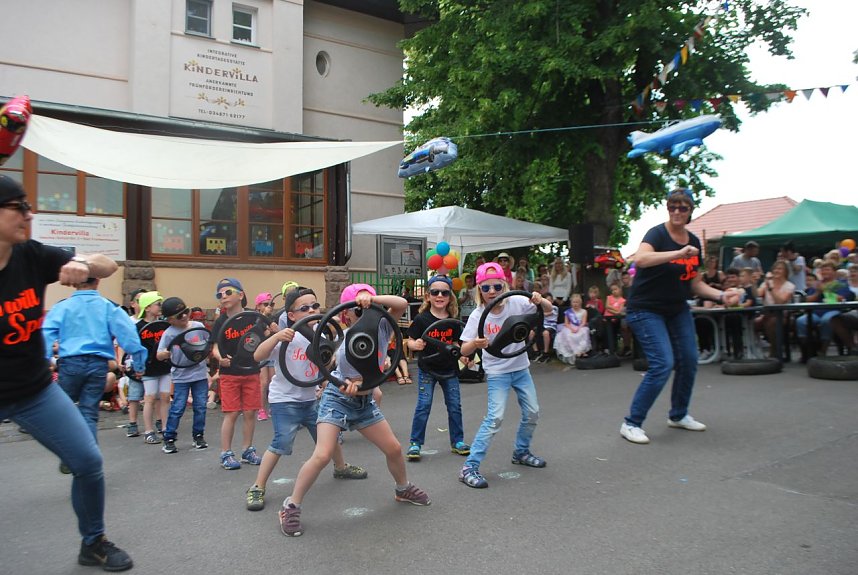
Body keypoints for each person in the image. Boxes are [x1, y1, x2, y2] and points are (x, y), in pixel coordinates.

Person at [0, 176, 134, 571]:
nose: (30, 214)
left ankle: (93, 542)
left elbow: (107, 264)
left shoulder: (31, 254)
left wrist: (79, 263)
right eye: (18, 207)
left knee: (88, 461)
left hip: (34, 390)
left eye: (28, 205)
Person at [278, 284, 430, 537]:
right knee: (323, 454)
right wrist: (351, 386)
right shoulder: (346, 339)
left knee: (393, 448)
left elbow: (401, 305)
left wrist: (372, 298)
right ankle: (291, 506)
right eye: (356, 311)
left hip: (364, 403)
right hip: (337, 399)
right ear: (346, 314)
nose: (363, 316)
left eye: (367, 309)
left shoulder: (383, 327)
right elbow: (343, 377)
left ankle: (402, 489)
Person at [620, 189, 741, 445]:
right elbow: (640, 259)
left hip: (676, 309)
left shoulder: (695, 242)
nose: (676, 211)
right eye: (672, 206)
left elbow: (695, 284)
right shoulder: (657, 234)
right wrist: (676, 254)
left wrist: (722, 296)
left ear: (690, 211)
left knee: (688, 358)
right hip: (645, 308)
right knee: (663, 363)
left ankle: (678, 414)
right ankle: (631, 423)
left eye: (682, 208)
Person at [244, 287, 367, 512]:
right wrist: (276, 338)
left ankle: (340, 467)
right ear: (291, 316)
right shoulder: (286, 337)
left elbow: (326, 366)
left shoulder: (320, 337)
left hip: (310, 398)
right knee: (281, 443)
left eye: (315, 306)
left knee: (331, 437)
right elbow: (257, 355)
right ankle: (257, 486)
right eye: (304, 308)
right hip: (285, 400)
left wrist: (326, 375)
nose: (311, 310)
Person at [458, 262, 553, 488]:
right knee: (495, 418)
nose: (492, 292)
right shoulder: (478, 316)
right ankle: (469, 467)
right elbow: (463, 350)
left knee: (532, 412)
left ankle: (521, 451)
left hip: (520, 368)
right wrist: (475, 343)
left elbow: (547, 310)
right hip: (497, 372)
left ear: (505, 285)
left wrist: (540, 300)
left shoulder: (519, 302)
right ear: (479, 290)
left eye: (497, 287)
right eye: (486, 288)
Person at [42, 277, 148, 446]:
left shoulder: (62, 307)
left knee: (65, 409)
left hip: (70, 363)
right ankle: (88, 458)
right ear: (97, 281)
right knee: (89, 412)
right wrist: (139, 363)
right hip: (98, 364)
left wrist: (46, 361)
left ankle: (69, 451)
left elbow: (45, 335)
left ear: (75, 283)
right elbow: (129, 337)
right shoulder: (108, 307)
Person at [405, 275, 470, 462]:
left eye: (444, 292)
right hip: (428, 370)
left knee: (455, 406)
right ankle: (415, 443)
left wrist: (465, 356)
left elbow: (459, 344)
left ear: (450, 297)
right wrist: (414, 345)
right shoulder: (421, 319)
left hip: (449, 370)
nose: (439, 295)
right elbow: (410, 341)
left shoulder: (453, 320)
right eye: (435, 292)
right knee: (423, 406)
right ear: (428, 296)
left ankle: (457, 441)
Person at [210, 278, 264, 470]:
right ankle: (226, 453)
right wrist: (220, 358)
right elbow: (214, 347)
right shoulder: (221, 322)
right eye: (220, 294)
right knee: (231, 413)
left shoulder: (252, 318)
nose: (223, 297)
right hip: (229, 373)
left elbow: (263, 338)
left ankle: (248, 450)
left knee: (250, 412)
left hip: (251, 370)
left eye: (227, 292)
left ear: (240, 295)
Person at [155, 297, 210, 454]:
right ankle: (169, 437)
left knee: (200, 406)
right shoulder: (169, 333)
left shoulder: (198, 326)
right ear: (170, 320)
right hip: (181, 376)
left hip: (199, 373)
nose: (185, 316)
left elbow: (208, 343)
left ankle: (198, 435)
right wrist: (164, 354)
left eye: (186, 312)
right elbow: (159, 354)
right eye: (180, 315)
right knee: (178, 407)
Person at [795, 260, 854, 359]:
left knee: (827, 320)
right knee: (800, 321)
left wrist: (827, 291)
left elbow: (843, 298)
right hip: (816, 312)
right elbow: (808, 300)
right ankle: (807, 350)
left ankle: (823, 350)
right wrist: (818, 292)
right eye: (822, 270)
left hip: (833, 311)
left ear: (834, 272)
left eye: (827, 270)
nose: (824, 272)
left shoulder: (841, 284)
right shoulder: (817, 284)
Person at [133, 291, 171, 444]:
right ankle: (148, 430)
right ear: (147, 307)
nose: (160, 307)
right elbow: (135, 349)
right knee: (149, 398)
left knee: (165, 397)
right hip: (148, 368)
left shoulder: (164, 325)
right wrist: (137, 366)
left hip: (164, 366)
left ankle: (166, 427)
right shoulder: (138, 327)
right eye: (157, 304)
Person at [254, 291, 275, 422]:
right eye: (266, 304)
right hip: (261, 353)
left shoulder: (272, 319)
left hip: (272, 353)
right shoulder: (256, 319)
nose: (269, 306)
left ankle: (273, 407)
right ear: (258, 306)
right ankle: (261, 409)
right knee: (264, 382)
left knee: (273, 380)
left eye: (271, 304)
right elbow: (260, 335)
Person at [554, 293, 591, 364]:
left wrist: (578, 328)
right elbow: (566, 323)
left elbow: (583, 322)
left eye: (577, 302)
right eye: (574, 302)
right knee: (567, 335)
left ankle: (581, 351)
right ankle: (574, 353)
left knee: (584, 332)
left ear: (580, 303)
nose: (575, 304)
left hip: (580, 326)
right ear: (571, 303)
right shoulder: (568, 312)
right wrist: (571, 329)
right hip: (570, 327)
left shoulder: (584, 311)